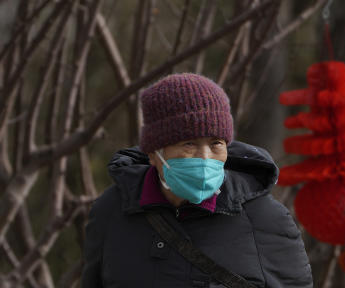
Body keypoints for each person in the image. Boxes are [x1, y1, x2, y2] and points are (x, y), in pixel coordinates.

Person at [81, 73, 313, 287]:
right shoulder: (112, 211)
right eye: (189, 144)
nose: (205, 158)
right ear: (154, 153)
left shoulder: (265, 218)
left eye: (216, 144)